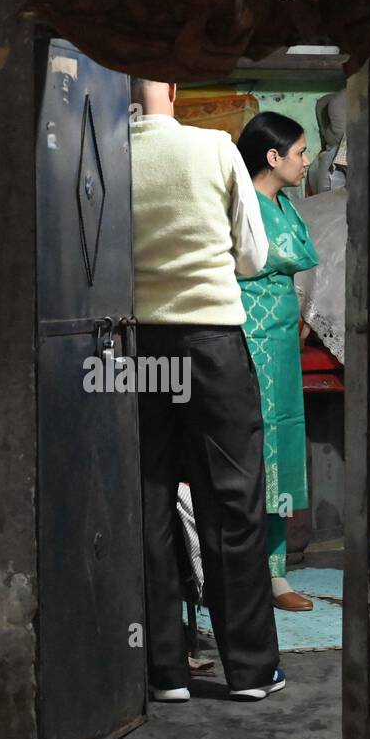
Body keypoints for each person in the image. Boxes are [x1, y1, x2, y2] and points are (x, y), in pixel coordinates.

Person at [129, 77, 286, 702]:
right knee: (232, 506)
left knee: (147, 500)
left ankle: (164, 671)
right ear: (173, 86)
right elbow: (252, 257)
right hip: (212, 345)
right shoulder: (215, 147)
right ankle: (249, 672)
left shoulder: (104, 154)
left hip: (134, 348)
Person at [235, 112, 321, 611]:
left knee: (283, 445)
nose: (306, 161)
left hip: (282, 342)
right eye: (300, 152)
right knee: (247, 451)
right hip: (245, 339)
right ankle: (236, 572)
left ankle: (276, 574)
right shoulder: (239, 202)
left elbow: (300, 261)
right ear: (274, 157)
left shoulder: (285, 205)